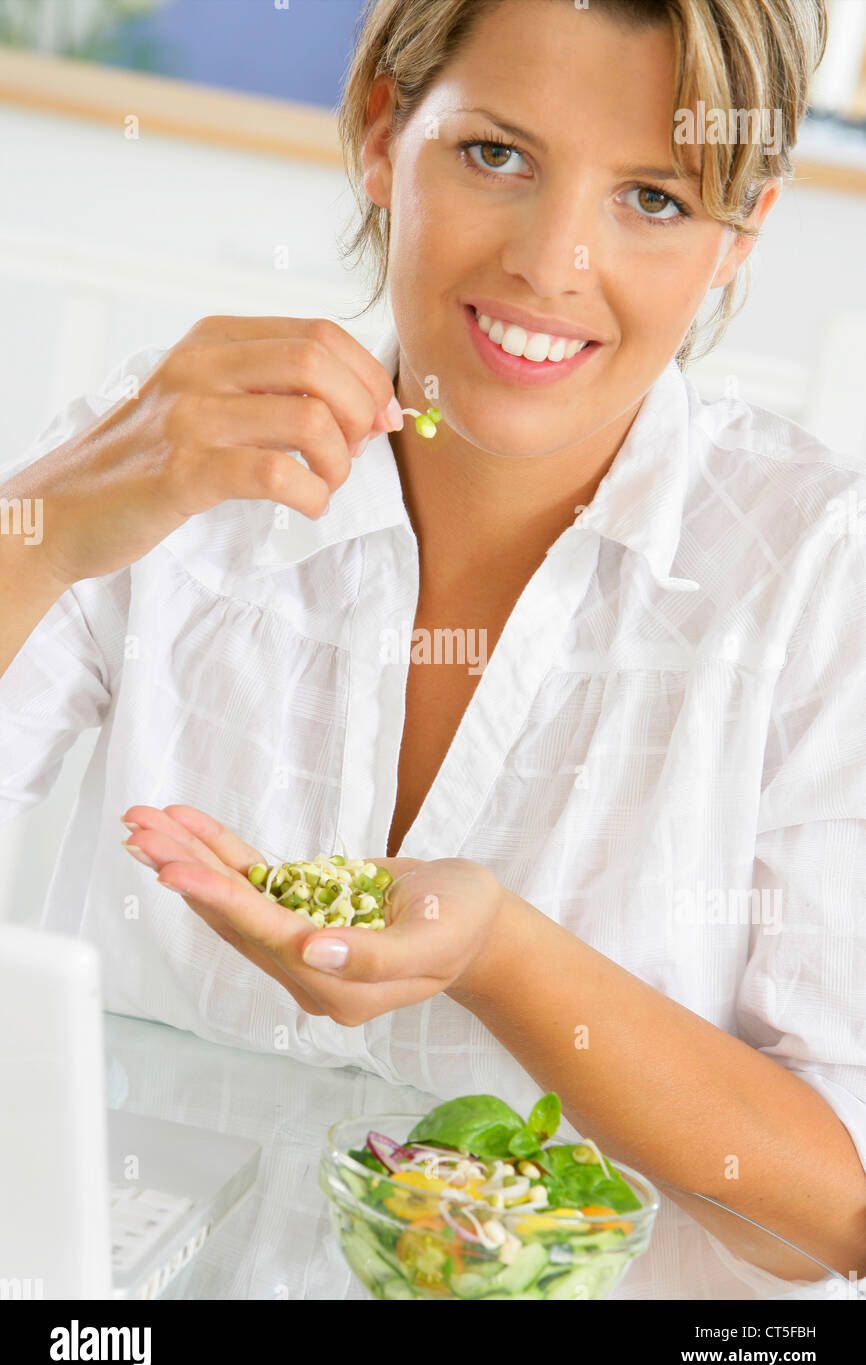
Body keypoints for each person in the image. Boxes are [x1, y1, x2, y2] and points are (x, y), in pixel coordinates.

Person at [1, 0, 864, 1299]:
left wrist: (501, 957)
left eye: (651, 196)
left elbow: (835, 1211)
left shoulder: (814, 575)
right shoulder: (176, 454)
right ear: (380, 129)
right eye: (496, 155)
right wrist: (45, 531)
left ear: (740, 234)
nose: (552, 263)